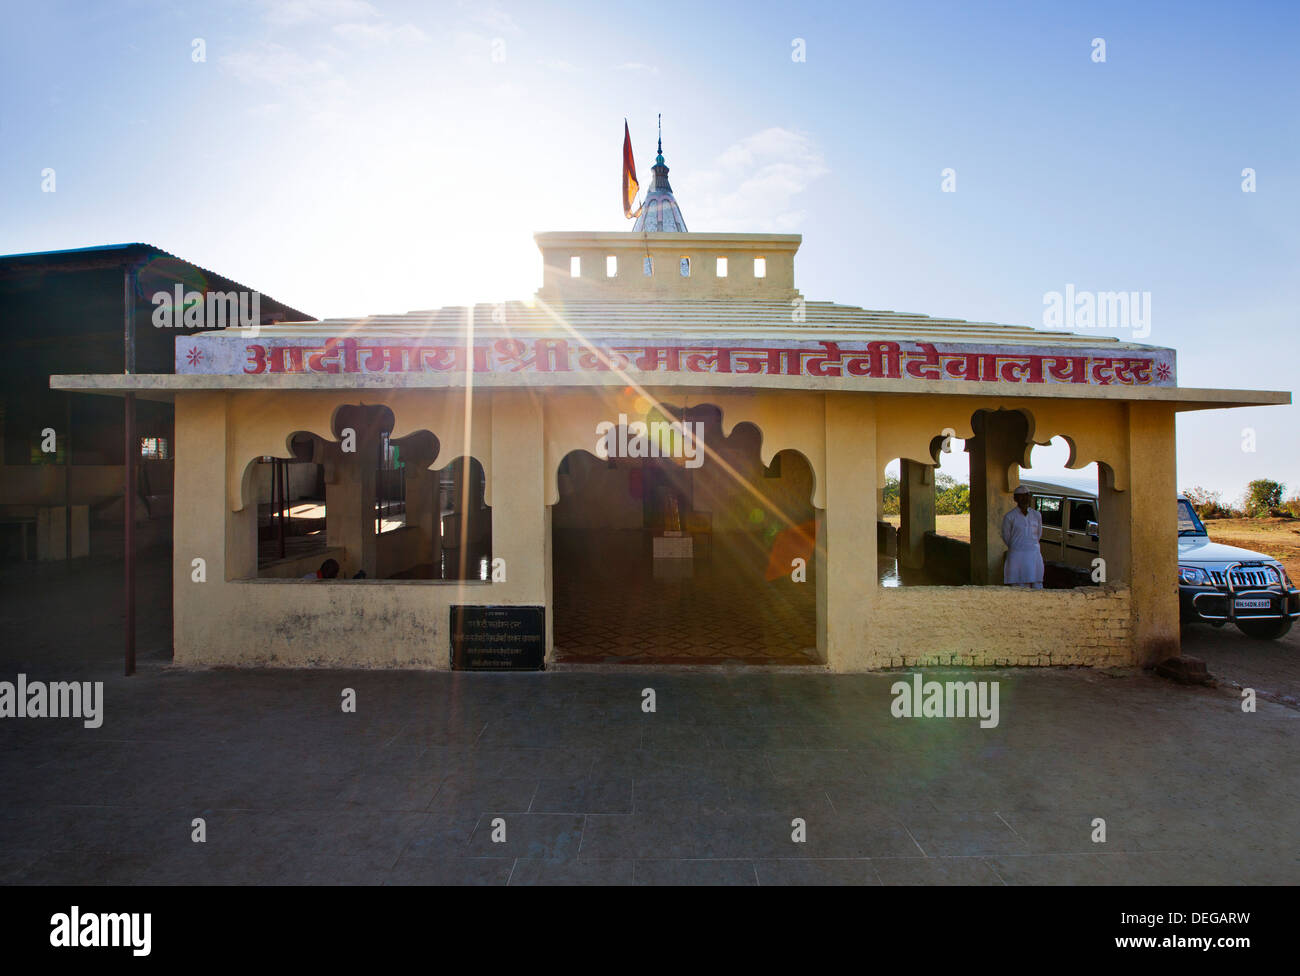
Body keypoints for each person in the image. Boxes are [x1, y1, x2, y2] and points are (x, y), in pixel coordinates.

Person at [1001, 486, 1044, 588]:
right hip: (1017, 556)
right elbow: (1006, 537)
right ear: (1015, 498)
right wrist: (1018, 546)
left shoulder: (1036, 515)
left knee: (1037, 585)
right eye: (1021, 496)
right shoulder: (1009, 516)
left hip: (1034, 554)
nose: (1024, 499)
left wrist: (1030, 545)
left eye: (1027, 496)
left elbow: (1038, 534)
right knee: (1019, 585)